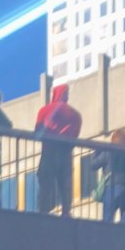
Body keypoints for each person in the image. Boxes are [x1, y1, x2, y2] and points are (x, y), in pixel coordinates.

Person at [34, 83, 82, 217]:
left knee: (45, 182)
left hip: (49, 151)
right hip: (65, 152)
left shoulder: (44, 111)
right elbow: (75, 134)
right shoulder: (75, 114)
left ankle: (43, 210)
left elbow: (38, 132)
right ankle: (66, 211)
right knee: (65, 182)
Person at [86, 128, 125, 225]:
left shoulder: (109, 151)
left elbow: (93, 165)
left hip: (113, 186)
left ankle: (109, 238)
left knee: (108, 221)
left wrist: (97, 151)